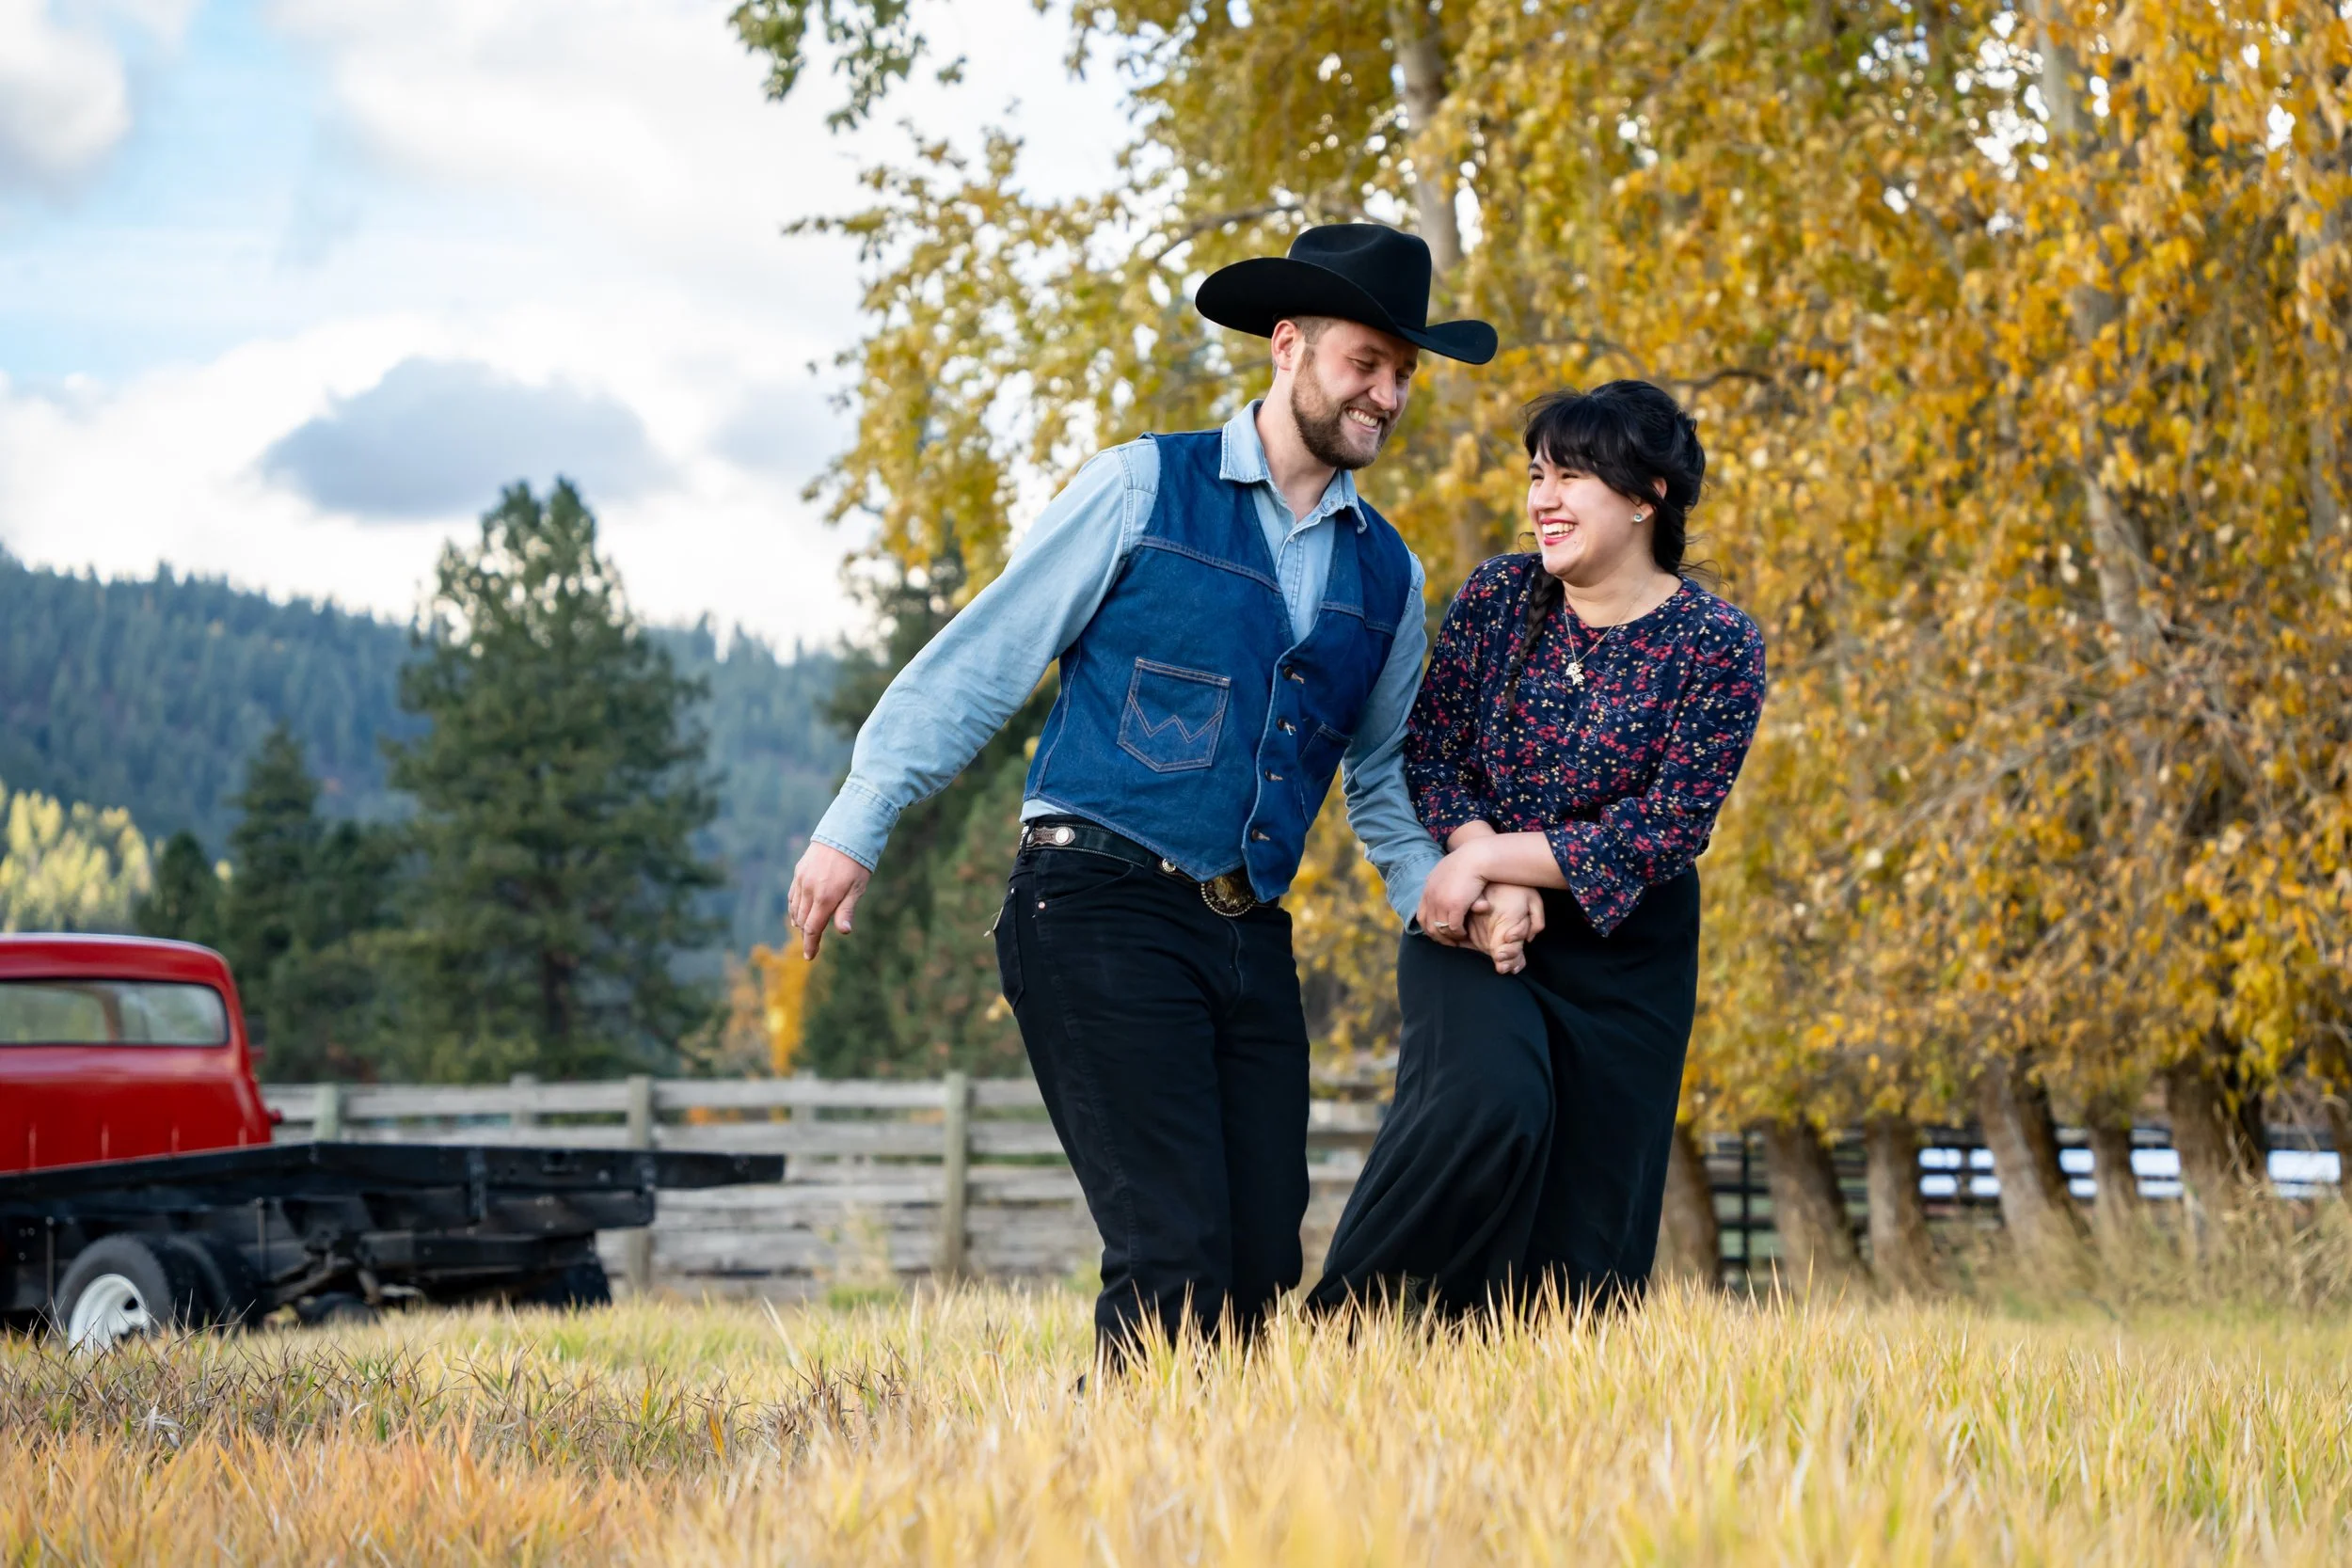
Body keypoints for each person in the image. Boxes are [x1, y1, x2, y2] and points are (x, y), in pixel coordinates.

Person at [787, 223, 1498, 1364]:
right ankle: (1109, 1510)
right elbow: (986, 658)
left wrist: (1437, 893)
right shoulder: (1140, 485)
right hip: (1096, 901)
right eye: (1366, 362)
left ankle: (1209, 1506)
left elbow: (1382, 773)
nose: (1387, 393)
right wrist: (858, 818)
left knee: (1260, 1264)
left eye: (1404, 374)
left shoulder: (1389, 570)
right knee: (1171, 1254)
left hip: (1247, 933)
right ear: (1288, 347)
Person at [1308, 380, 1767, 1318]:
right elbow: (1430, 753)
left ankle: (1513, 1393)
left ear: (1647, 496)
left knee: (1585, 1221)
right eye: (1536, 475)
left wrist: (1496, 862)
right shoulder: (1498, 596)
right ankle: (1346, 1332)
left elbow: (1665, 826)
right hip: (1471, 930)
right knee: (1484, 1103)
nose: (1542, 499)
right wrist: (1478, 868)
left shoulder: (1718, 643)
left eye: (1572, 477)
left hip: (1624, 953)